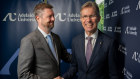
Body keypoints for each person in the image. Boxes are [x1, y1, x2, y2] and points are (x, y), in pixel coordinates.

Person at [55, 1, 119, 79]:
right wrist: (63, 78)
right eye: (85, 16)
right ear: (81, 19)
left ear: (99, 18)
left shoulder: (109, 43)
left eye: (92, 16)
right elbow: (74, 67)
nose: (88, 20)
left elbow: (114, 75)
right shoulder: (75, 41)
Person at [17, 3, 71, 79]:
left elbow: (67, 57)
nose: (53, 19)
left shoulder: (56, 38)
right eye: (50, 16)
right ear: (38, 18)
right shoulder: (29, 40)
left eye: (53, 15)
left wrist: (87, 55)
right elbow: (23, 75)